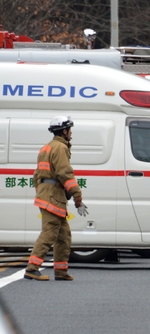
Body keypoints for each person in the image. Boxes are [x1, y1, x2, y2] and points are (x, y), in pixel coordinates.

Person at [25, 116, 88, 281]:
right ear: (64, 131)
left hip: (49, 195)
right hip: (53, 196)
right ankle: (32, 268)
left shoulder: (46, 148)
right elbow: (65, 173)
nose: (71, 133)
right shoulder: (60, 148)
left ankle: (60, 272)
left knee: (63, 236)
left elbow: (36, 175)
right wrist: (77, 195)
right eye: (70, 130)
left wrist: (42, 192)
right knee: (49, 233)